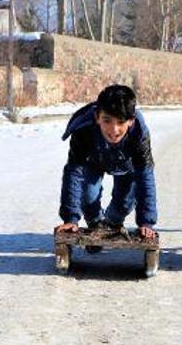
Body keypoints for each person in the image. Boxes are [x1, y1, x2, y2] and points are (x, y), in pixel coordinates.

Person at [55, 84, 158, 242]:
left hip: (127, 164)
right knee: (88, 195)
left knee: (124, 203)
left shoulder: (139, 135)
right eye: (107, 120)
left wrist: (146, 222)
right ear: (97, 117)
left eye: (121, 122)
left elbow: (145, 176)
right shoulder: (83, 130)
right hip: (93, 161)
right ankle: (95, 224)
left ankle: (112, 223)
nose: (113, 130)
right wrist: (70, 219)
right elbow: (74, 173)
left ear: (131, 121)